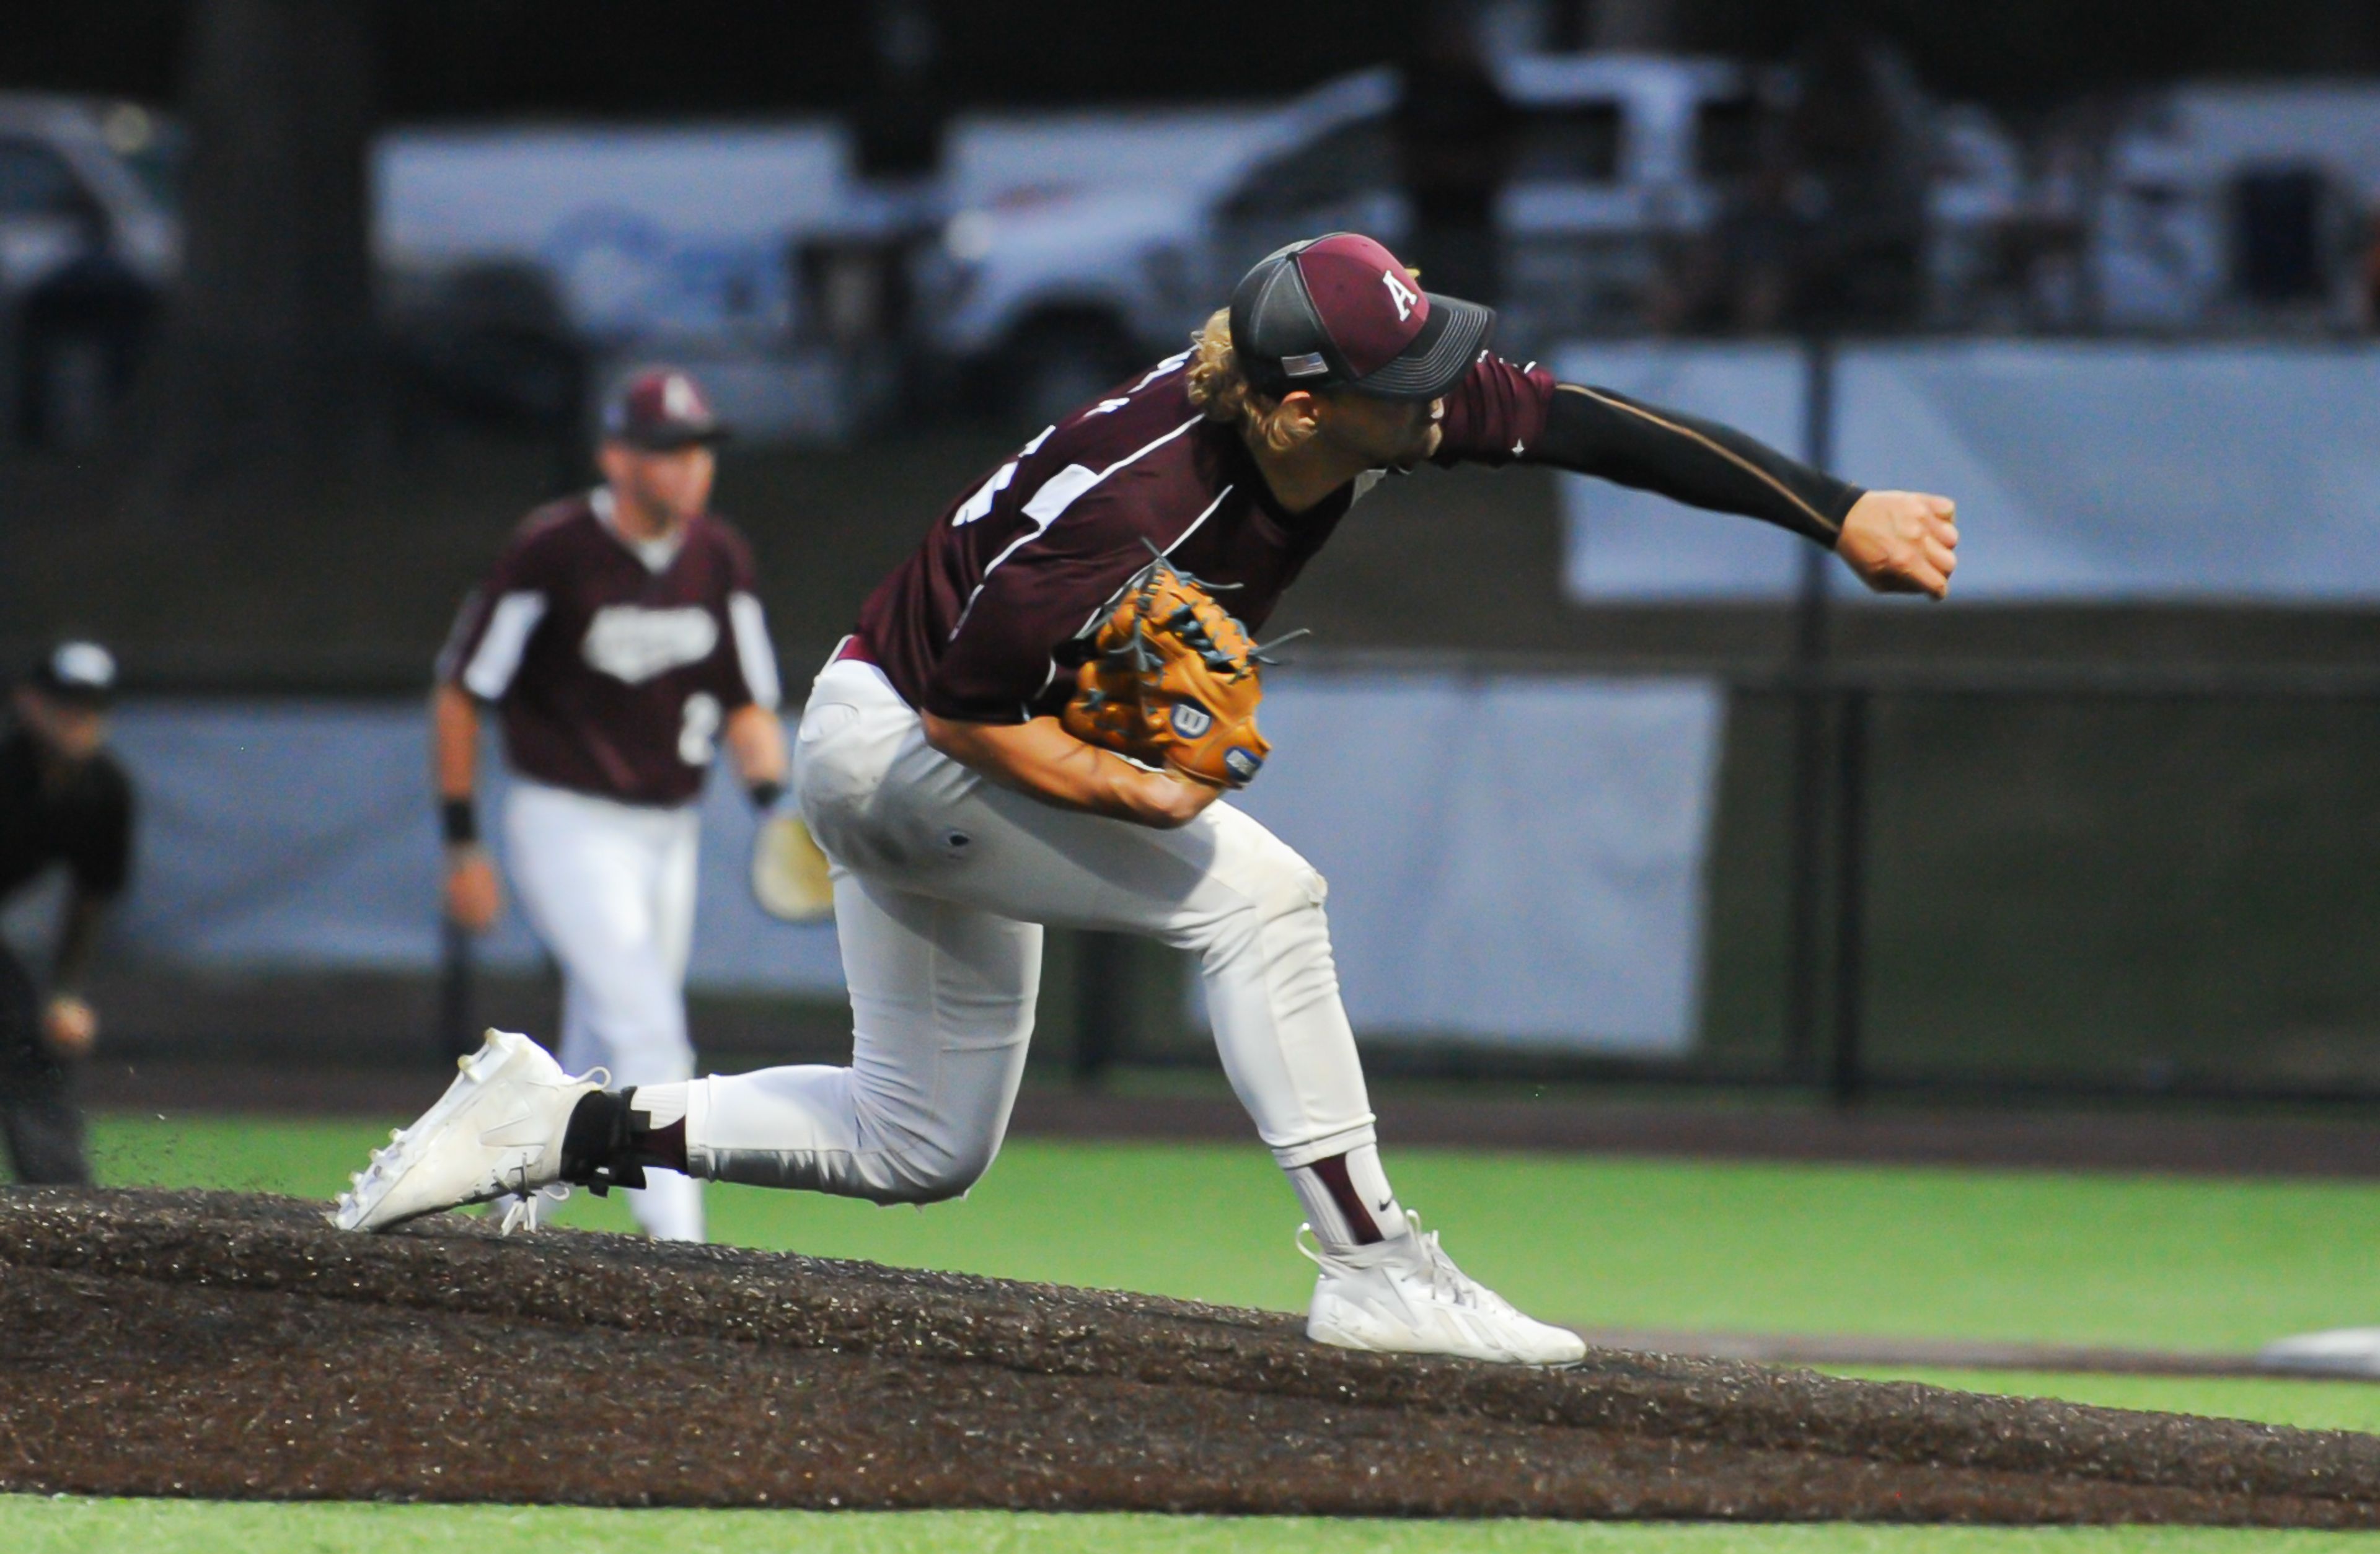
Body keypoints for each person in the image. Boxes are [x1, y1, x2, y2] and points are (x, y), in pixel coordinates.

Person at [340, 234, 1957, 1364]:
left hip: (930, 727)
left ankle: (559, 1120)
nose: (1447, 393)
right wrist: (1128, 782)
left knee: (919, 1144)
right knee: (1262, 896)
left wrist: (1838, 512)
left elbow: (1590, 425)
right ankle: (1374, 1262)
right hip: (901, 738)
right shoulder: (1144, 499)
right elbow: (975, 702)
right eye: (1409, 374)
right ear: (1305, 402)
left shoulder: (1330, 405)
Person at [430, 367, 790, 1242]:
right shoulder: (552, 551)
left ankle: (509, 1224)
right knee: (650, 1025)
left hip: (669, 832)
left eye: (699, 450)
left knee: (595, 1047)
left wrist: (778, 804)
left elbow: (748, 704)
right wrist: (462, 842)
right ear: (616, 458)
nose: (691, 468)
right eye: (670, 450)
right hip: (565, 820)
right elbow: (460, 690)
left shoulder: (718, 556)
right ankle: (679, 1245)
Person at [0, 642, 134, 1185]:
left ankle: (63, 1210)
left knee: (32, 1038)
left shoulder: (105, 791)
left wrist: (65, 992)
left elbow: (90, 897)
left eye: (93, 707)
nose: (80, 719)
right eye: (66, 704)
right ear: (29, 703)